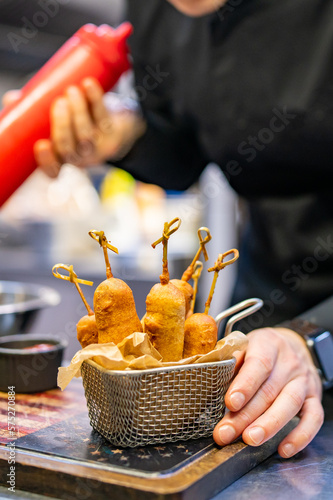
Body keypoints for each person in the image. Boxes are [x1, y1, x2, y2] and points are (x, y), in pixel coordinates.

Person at [3, 0, 328, 458]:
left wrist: (315, 339)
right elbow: (184, 154)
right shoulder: (155, 9)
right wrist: (127, 135)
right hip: (267, 312)